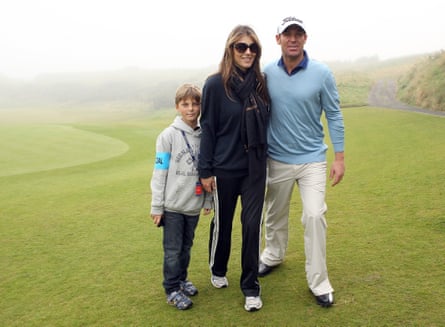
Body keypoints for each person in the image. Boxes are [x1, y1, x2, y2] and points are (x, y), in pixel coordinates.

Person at [258, 16, 345, 308]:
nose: (292, 39)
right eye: (287, 34)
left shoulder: (322, 73)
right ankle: (273, 254)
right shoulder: (267, 73)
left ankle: (319, 281)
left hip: (312, 160)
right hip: (277, 158)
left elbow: (333, 114)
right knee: (274, 214)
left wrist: (340, 157)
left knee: (314, 215)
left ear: (305, 39)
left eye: (298, 34)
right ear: (278, 39)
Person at [198, 25, 270, 312]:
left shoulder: (261, 84)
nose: (248, 52)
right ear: (230, 50)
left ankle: (251, 287)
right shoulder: (215, 85)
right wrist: (205, 171)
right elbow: (208, 128)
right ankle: (218, 267)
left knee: (252, 226)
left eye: (253, 47)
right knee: (223, 224)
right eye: (241, 47)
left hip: (254, 168)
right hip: (223, 168)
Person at [150, 84, 212, 310]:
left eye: (195, 104)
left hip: (193, 205)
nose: (191, 108)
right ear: (177, 106)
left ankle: (182, 280)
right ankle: (172, 288)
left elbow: (208, 172)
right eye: (185, 104)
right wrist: (157, 206)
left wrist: (207, 200)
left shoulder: (205, 134)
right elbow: (160, 172)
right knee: (173, 251)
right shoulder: (167, 136)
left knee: (186, 247)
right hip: (173, 206)